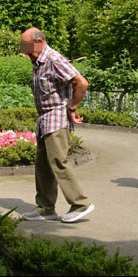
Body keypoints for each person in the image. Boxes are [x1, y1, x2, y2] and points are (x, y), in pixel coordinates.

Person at [19, 28, 95, 223]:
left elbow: (81, 83)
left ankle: (80, 204)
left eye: (28, 46)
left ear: (39, 41)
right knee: (43, 165)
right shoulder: (38, 62)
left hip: (57, 119)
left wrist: (72, 107)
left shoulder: (54, 59)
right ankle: (45, 208)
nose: (26, 52)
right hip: (44, 120)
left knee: (58, 162)